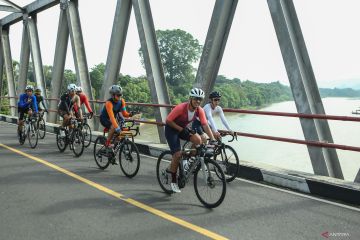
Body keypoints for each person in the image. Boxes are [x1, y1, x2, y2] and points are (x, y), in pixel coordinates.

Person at [165, 88, 216, 193]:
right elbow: (168, 120)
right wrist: (181, 129)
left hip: (182, 129)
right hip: (171, 130)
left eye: (200, 99)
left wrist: (213, 139)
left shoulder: (199, 110)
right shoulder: (181, 108)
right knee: (178, 154)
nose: (198, 101)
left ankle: (189, 162)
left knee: (199, 140)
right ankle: (173, 180)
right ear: (190, 98)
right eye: (196, 99)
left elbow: (205, 125)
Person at [99, 85, 132, 158]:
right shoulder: (109, 103)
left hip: (113, 119)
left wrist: (130, 114)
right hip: (104, 119)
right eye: (118, 95)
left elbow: (124, 114)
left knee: (121, 131)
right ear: (113, 95)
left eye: (121, 95)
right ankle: (107, 143)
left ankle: (113, 147)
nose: (120, 97)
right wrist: (117, 127)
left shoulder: (122, 101)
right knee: (114, 127)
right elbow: (111, 117)